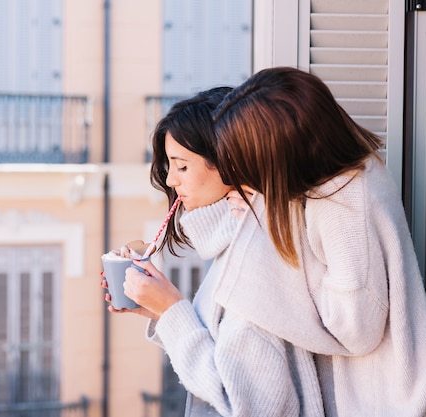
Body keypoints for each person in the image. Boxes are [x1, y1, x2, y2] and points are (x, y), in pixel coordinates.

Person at [211, 66, 426, 416]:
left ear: (279, 153)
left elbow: (356, 331)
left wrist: (266, 250)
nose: (237, 174)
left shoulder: (341, 205)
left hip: (391, 405)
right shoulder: (349, 178)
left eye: (246, 161)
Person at [102, 87, 324, 416]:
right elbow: (227, 358)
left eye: (182, 166)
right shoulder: (236, 245)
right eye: (169, 166)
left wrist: (172, 310)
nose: (172, 180)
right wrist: (160, 313)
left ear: (228, 162)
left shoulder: (253, 259)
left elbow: (249, 403)